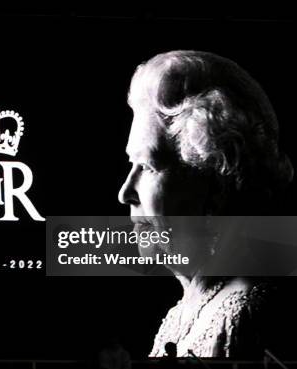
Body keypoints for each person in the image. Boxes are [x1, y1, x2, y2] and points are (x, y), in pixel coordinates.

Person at [118, 50, 294, 357]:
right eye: (130, 165)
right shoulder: (181, 313)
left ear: (215, 182)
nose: (124, 192)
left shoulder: (246, 313)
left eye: (148, 167)